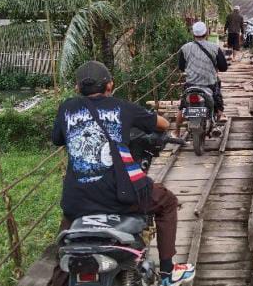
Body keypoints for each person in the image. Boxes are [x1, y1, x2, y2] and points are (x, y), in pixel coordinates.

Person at [50, 61, 195, 286]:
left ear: (78, 88)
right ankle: (168, 272)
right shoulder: (122, 107)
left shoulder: (66, 108)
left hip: (77, 201)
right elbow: (164, 124)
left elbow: (57, 138)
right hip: (121, 196)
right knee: (166, 201)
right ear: (110, 85)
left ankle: (58, 279)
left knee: (66, 244)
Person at [176, 22, 228, 136]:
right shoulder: (215, 47)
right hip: (210, 84)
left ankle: (176, 131)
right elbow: (224, 67)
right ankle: (218, 118)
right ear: (206, 33)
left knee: (183, 106)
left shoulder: (185, 48)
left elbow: (181, 67)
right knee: (218, 101)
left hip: (191, 84)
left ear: (193, 34)